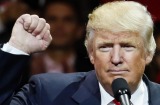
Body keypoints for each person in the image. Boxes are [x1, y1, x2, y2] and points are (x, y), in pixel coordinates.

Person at [1, 1, 160, 105]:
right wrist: (17, 48)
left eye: (127, 46)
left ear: (148, 53)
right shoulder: (48, 93)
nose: (116, 58)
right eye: (105, 47)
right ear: (91, 53)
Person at [30, 0, 93, 74]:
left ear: (80, 29)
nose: (59, 26)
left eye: (67, 20)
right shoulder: (22, 66)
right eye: (52, 19)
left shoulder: (93, 70)